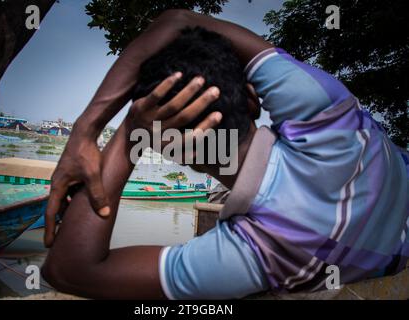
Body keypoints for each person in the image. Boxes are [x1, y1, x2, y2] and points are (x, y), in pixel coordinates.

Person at [42, 10, 409, 299]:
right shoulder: (326, 115)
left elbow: (69, 271)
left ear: (172, 152)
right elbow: (179, 19)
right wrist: (88, 129)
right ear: (253, 100)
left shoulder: (259, 253)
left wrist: (130, 132)